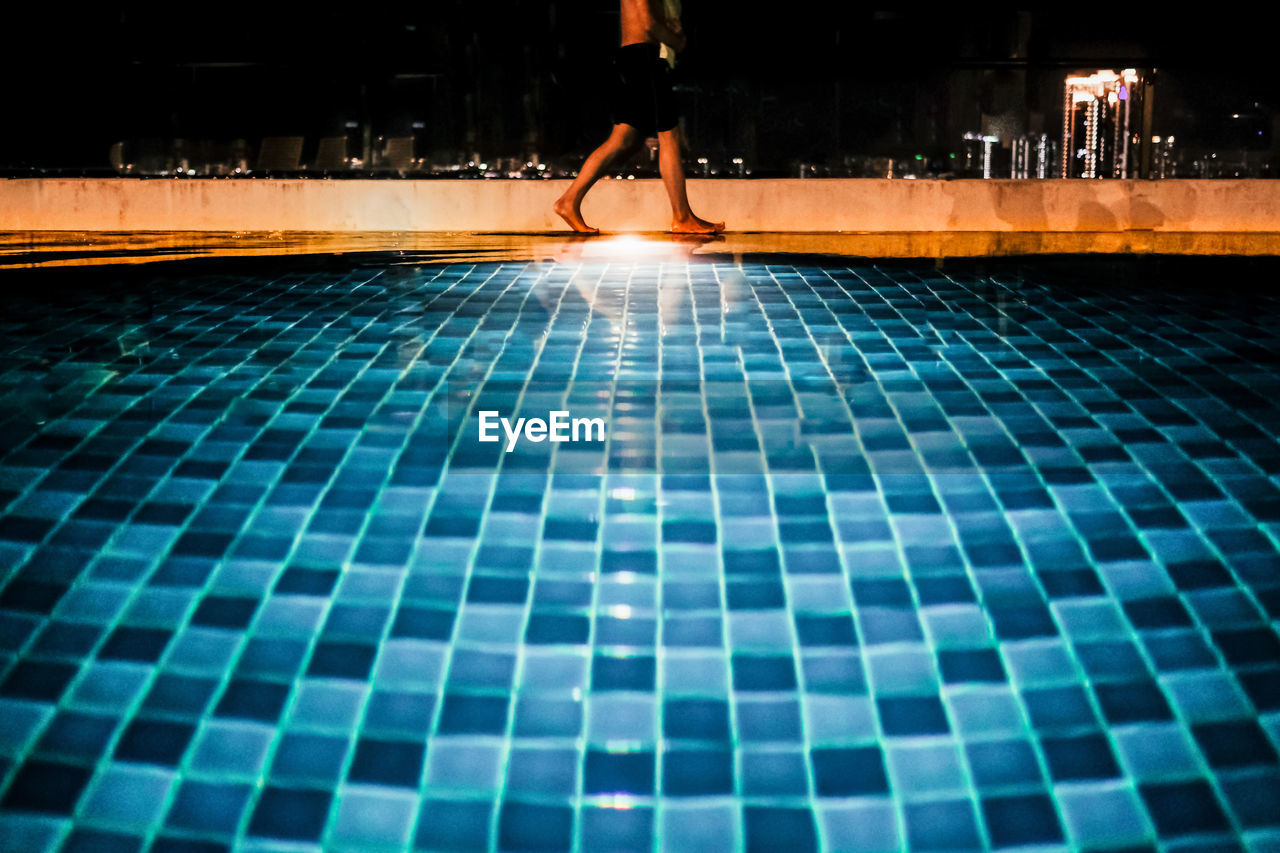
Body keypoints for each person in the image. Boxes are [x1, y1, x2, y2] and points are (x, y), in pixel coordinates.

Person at [553, 0, 724, 235]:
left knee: (623, 139)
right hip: (643, 58)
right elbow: (648, 24)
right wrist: (678, 41)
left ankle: (568, 202)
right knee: (669, 135)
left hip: (636, 58)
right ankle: (682, 217)